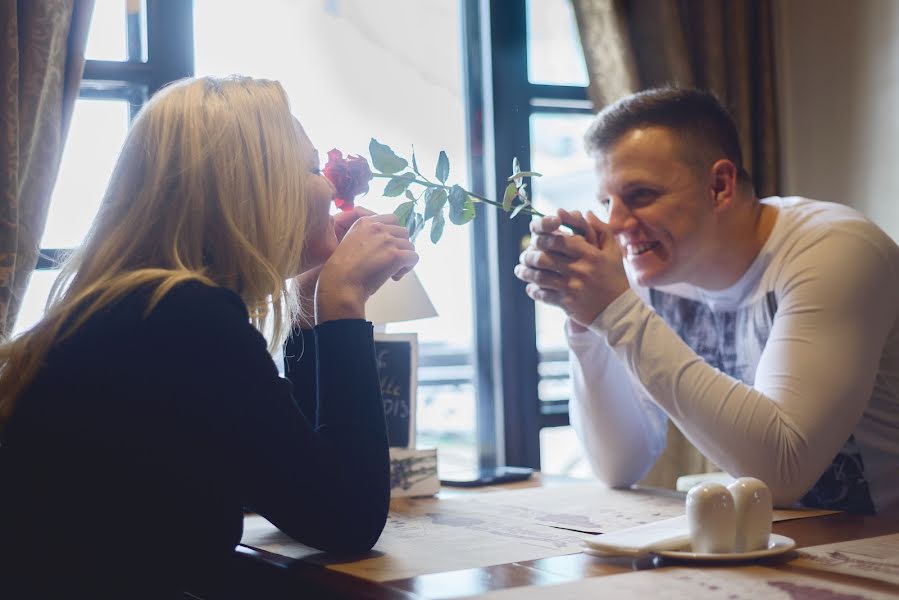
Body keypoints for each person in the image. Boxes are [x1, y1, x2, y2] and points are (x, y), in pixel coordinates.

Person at [0, 76, 418, 597]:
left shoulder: (136, 307)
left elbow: (299, 488)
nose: (332, 188)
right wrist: (343, 305)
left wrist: (310, 307)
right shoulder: (186, 319)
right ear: (254, 189)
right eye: (312, 169)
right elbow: (346, 519)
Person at [515, 87, 899, 516]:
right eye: (607, 201)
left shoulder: (834, 250)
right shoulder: (658, 271)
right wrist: (585, 321)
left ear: (719, 185)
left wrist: (617, 312)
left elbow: (783, 471)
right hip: (785, 547)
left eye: (640, 194)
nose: (617, 223)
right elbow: (618, 466)